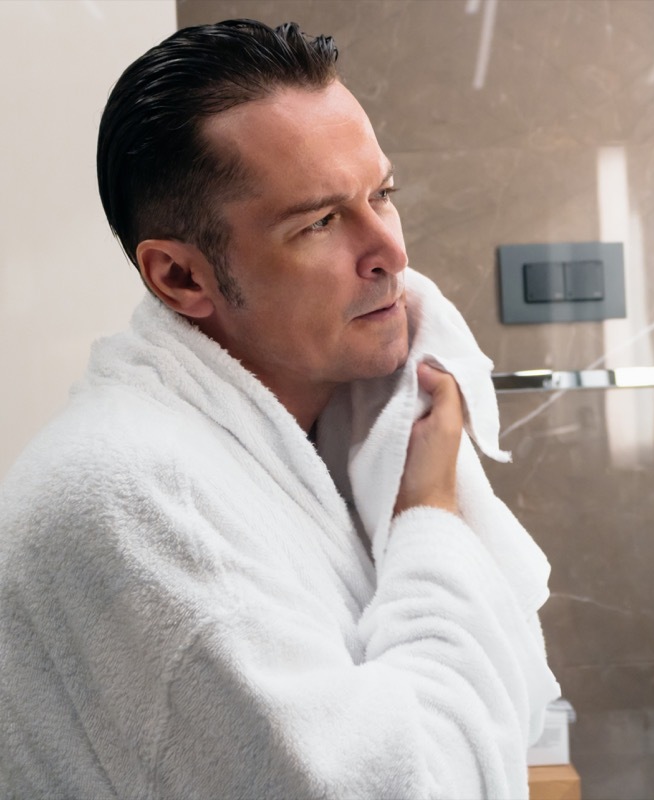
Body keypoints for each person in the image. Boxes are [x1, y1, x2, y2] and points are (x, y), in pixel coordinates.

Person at [0, 19, 559, 799]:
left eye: (382, 195)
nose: (390, 252)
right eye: (319, 222)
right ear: (180, 278)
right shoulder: (125, 499)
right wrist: (428, 514)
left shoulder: (312, 445)